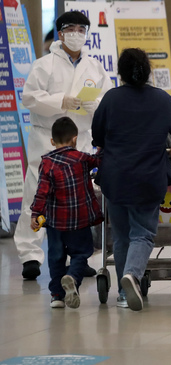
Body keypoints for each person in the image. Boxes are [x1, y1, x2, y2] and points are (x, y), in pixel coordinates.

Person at [91, 48, 171, 311]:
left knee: (122, 236)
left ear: (121, 73)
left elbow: (97, 135)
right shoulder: (162, 100)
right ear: (148, 72)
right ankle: (132, 276)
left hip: (115, 177)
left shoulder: (111, 99)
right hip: (148, 177)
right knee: (143, 234)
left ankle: (124, 295)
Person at [16, 11, 112, 281]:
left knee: (78, 199)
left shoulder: (94, 67)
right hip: (47, 140)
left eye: (82, 29)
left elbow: (105, 100)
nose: (77, 33)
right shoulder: (44, 64)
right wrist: (62, 101)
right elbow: (30, 98)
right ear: (60, 33)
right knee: (36, 196)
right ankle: (30, 255)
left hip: (79, 140)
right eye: (72, 28)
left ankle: (78, 256)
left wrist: (94, 106)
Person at [30, 117, 103, 309]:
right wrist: (102, 148)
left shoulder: (47, 163)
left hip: (55, 222)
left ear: (52, 141)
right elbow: (99, 160)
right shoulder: (81, 158)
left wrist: (35, 215)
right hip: (79, 220)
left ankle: (56, 296)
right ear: (75, 139)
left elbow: (41, 193)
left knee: (56, 257)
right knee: (81, 253)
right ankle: (72, 277)